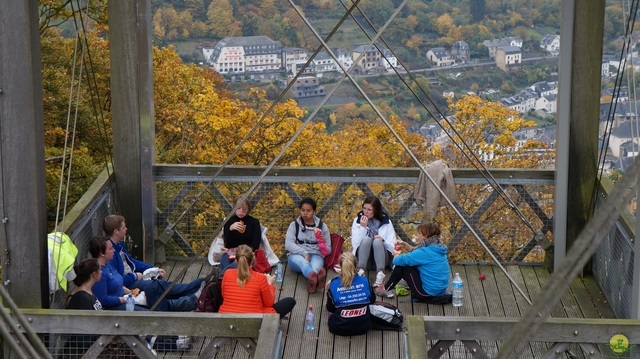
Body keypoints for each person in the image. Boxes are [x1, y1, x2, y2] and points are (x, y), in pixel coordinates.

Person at [103, 214, 204, 307]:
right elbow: (117, 280)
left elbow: (132, 261)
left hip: (133, 277)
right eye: (123, 227)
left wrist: (153, 268)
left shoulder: (119, 245)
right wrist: (135, 276)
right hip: (128, 283)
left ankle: (191, 292)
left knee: (158, 282)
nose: (126, 229)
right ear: (116, 231)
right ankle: (192, 290)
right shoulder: (110, 252)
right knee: (156, 285)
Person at [90, 236, 199, 311]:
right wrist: (124, 298)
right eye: (110, 249)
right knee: (150, 308)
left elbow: (119, 283)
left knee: (156, 294)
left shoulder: (108, 265)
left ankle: (193, 298)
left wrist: (130, 292)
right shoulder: (99, 273)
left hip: (126, 297)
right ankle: (193, 297)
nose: (113, 250)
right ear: (101, 253)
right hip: (117, 306)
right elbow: (103, 300)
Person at [374, 222, 452, 303]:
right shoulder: (436, 247)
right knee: (410, 262)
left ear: (425, 236)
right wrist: (405, 245)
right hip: (439, 290)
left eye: (419, 233)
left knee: (403, 266)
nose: (417, 235)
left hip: (427, 294)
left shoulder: (425, 252)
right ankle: (402, 283)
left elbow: (397, 261)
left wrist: (395, 254)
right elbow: (417, 253)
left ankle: (386, 289)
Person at [219, 245, 295, 318]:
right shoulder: (260, 278)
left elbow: (223, 295)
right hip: (254, 320)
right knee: (290, 301)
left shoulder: (227, 273)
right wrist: (269, 284)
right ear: (253, 259)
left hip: (226, 317)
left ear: (235, 260)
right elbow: (269, 303)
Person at [284, 197, 331, 293]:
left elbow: (328, 250)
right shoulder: (294, 225)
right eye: (303, 210)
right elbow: (288, 244)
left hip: (316, 254)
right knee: (303, 263)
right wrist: (304, 253)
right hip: (297, 255)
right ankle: (317, 278)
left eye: (308, 211)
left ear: (314, 211)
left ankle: (313, 282)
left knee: (315, 267)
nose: (305, 213)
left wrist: (321, 242)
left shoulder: (322, 227)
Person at [351, 196, 396, 291]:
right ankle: (361, 271)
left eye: (369, 210)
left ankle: (380, 275)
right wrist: (363, 228)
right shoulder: (357, 221)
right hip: (364, 260)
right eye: (364, 208)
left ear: (375, 210)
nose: (365, 212)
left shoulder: (386, 221)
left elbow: (392, 246)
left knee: (377, 241)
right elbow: (355, 244)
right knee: (367, 239)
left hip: (382, 260)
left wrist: (383, 240)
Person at [326, 252, 375, 336]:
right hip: (363, 327)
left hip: (339, 328)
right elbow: (372, 300)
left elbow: (330, 308)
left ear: (340, 267)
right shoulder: (365, 281)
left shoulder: (333, 284)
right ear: (356, 265)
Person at [221, 195, 262, 271]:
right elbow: (228, 244)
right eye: (238, 208)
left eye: (244, 209)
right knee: (226, 264)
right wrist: (230, 229)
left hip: (247, 253)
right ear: (234, 208)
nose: (241, 211)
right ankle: (222, 279)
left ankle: (221, 278)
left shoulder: (254, 222)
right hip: (231, 253)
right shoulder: (229, 221)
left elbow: (255, 245)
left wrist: (242, 252)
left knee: (237, 265)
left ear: (248, 209)